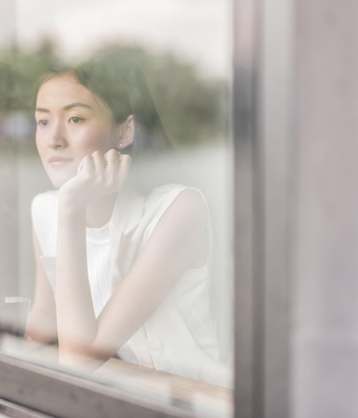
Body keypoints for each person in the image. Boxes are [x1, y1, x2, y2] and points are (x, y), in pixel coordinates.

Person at [24, 48, 230, 387]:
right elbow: (43, 323)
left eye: (75, 119)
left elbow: (78, 359)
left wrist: (73, 209)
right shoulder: (45, 211)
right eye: (43, 121)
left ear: (125, 131)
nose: (54, 139)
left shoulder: (178, 210)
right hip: (114, 397)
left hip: (199, 403)